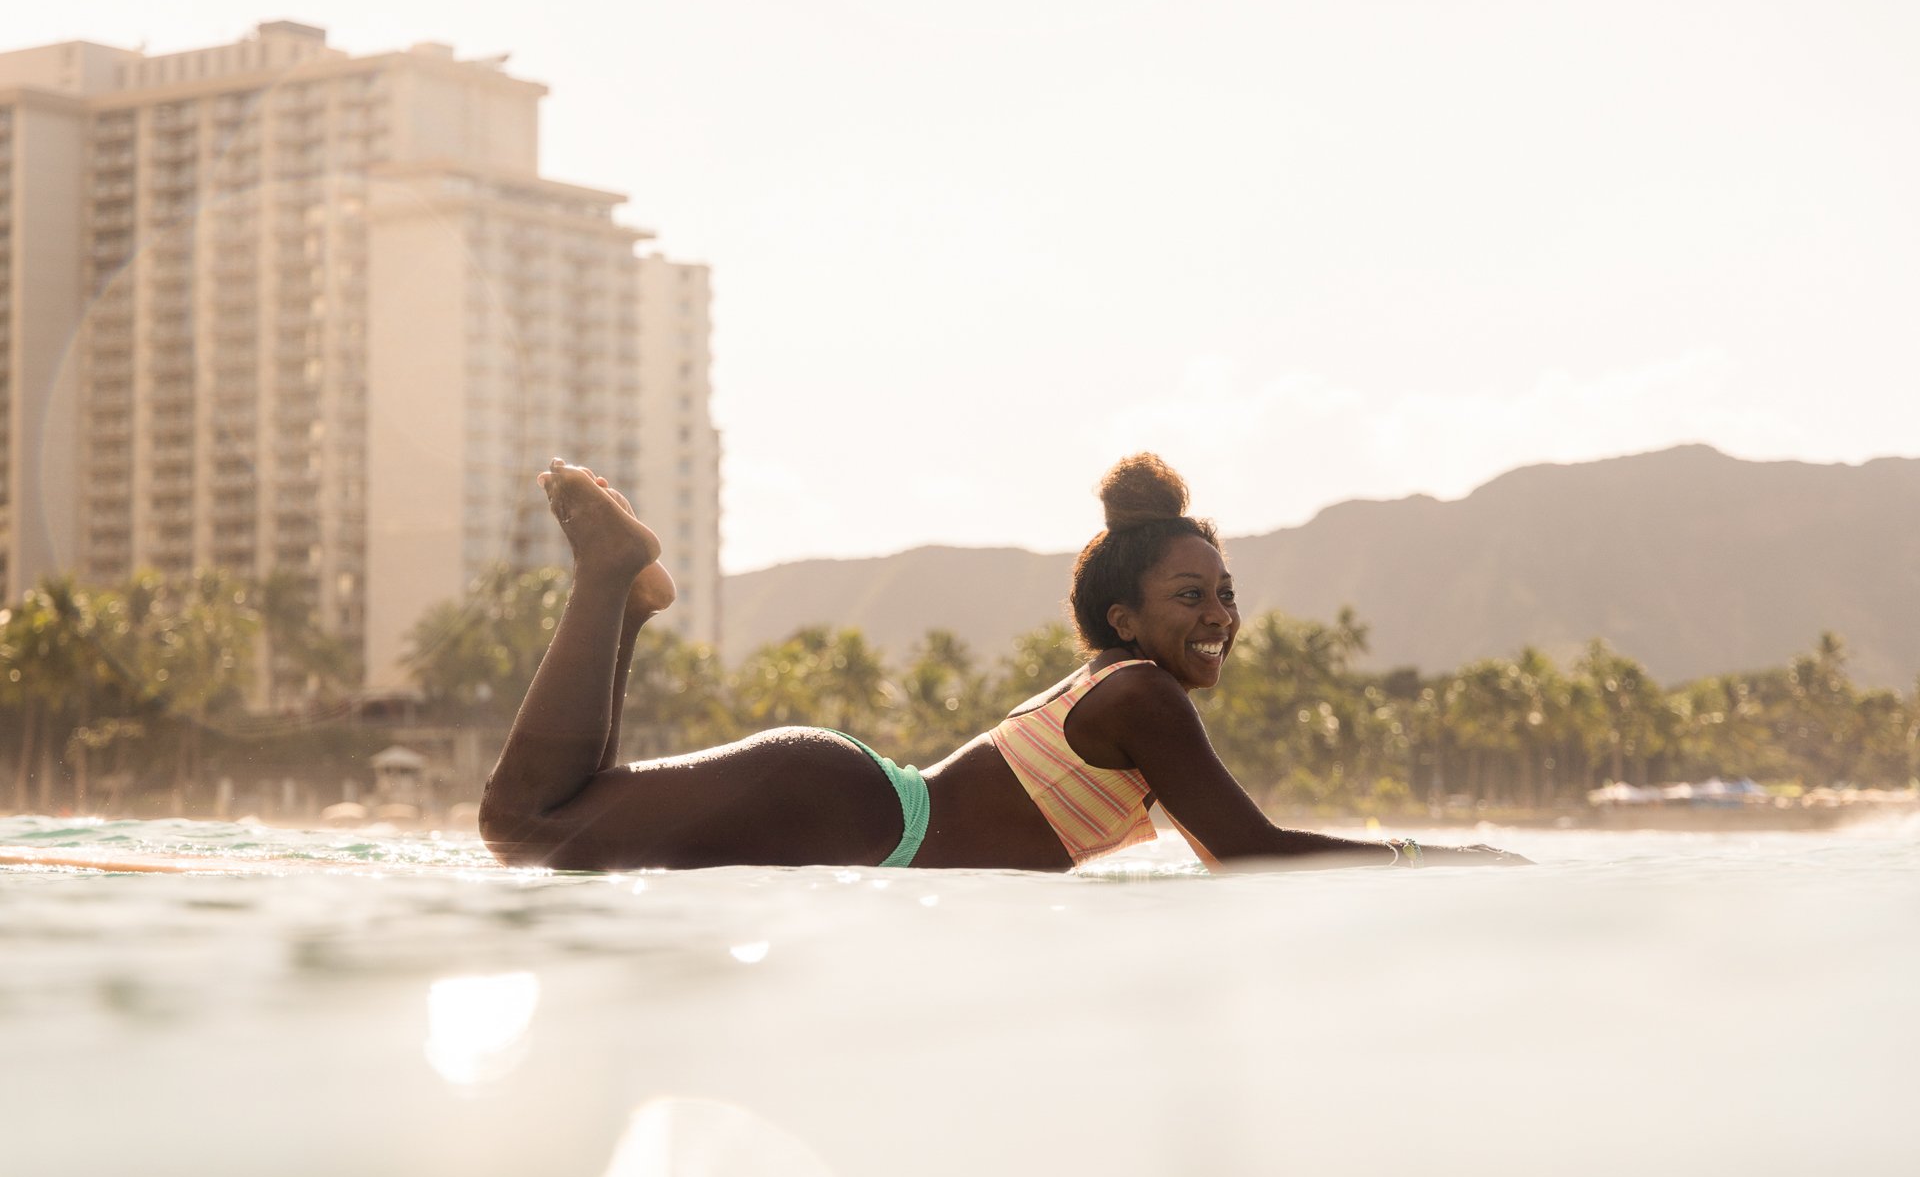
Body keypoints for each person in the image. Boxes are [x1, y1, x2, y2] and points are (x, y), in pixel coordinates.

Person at [478, 454, 1524, 872]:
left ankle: (625, 603)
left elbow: (1226, 858)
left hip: (848, 805)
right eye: (1190, 595)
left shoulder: (1120, 686)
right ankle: (610, 576)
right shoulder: (1142, 695)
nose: (1220, 615)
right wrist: (1435, 860)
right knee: (521, 827)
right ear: (1125, 614)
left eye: (1227, 594)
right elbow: (1248, 851)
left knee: (559, 819)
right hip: (848, 814)